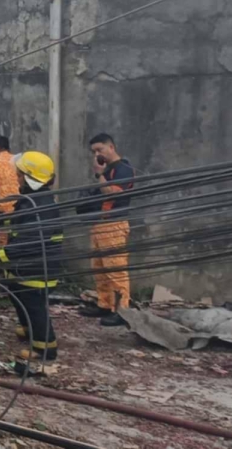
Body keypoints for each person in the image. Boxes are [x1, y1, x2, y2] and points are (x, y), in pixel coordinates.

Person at [0, 151, 63, 371]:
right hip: (29, 268)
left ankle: (45, 347)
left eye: (20, 173)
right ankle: (28, 330)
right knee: (20, 297)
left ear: (29, 177)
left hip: (35, 268)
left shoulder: (37, 206)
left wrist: (4, 255)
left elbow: (29, 240)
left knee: (35, 306)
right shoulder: (36, 200)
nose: (16, 177)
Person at [80, 133, 135, 327]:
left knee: (115, 269)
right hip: (99, 223)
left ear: (111, 147)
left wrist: (99, 174)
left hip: (114, 224)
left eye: (100, 150)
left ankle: (122, 310)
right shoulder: (108, 168)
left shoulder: (123, 169)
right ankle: (105, 304)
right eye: (93, 151)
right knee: (100, 268)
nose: (96, 154)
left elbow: (111, 192)